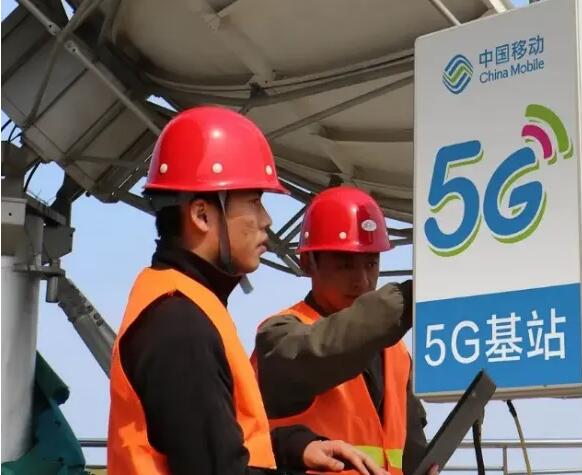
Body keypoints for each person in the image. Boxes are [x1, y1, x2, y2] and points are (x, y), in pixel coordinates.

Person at [107, 107, 385, 475]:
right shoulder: (179, 323)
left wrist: (295, 447)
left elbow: (216, 446)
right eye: (255, 202)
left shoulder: (183, 304)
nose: (267, 220)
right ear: (202, 215)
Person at [253, 186, 436, 475]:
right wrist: (412, 297)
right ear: (307, 263)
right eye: (345, 264)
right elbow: (330, 345)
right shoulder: (280, 337)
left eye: (371, 263)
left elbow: (409, 448)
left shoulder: (396, 352)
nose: (361, 280)